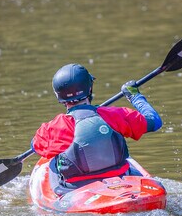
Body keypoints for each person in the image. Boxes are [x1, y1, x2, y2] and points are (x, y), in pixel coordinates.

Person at [31, 63, 163, 193]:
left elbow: (35, 146)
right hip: (121, 180)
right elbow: (155, 122)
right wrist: (134, 96)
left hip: (78, 190)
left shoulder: (54, 127)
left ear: (59, 96)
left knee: (53, 160)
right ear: (89, 89)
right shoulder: (113, 115)